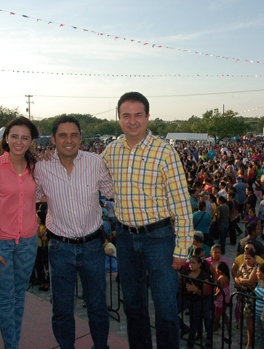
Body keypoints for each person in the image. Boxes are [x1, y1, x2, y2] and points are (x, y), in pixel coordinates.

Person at [101, 92, 193, 349]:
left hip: (159, 238)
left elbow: (182, 205)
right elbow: (91, 179)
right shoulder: (112, 150)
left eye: (138, 115)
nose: (132, 121)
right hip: (125, 237)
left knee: (165, 310)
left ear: (147, 117)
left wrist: (182, 249)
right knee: (134, 308)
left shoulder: (165, 152)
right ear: (118, 117)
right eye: (126, 115)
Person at [35, 116, 114, 349]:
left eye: (73, 135)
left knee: (98, 307)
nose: (68, 140)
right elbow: (31, 195)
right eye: (62, 135)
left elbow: (112, 192)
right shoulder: (42, 167)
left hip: (92, 246)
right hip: (59, 247)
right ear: (53, 139)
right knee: (61, 309)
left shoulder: (95, 162)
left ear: (80, 137)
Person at [0, 116, 40, 349]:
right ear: (6, 138)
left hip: (28, 242)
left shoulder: (33, 167)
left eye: (25, 137)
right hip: (0, 243)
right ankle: (11, 346)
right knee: (6, 300)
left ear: (31, 141)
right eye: (14, 136)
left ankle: (12, 342)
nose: (19, 141)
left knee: (19, 297)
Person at [181, 255, 209, 349]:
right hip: (186, 299)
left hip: (197, 301)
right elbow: (182, 286)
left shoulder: (203, 276)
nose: (191, 265)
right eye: (190, 262)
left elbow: (203, 294)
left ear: (199, 264)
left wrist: (195, 289)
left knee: (194, 322)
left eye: (193, 263)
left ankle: (190, 344)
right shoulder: (186, 273)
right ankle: (186, 329)